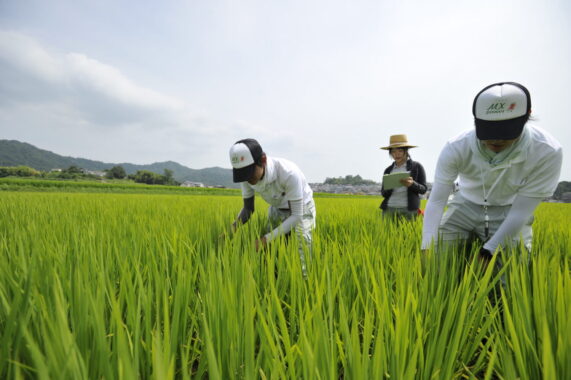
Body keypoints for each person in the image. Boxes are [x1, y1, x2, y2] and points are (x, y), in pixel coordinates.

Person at [421, 82, 563, 263]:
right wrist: (427, 245)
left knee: (511, 273)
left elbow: (521, 211)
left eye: (506, 131)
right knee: (436, 263)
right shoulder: (457, 146)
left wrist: (489, 251)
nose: (496, 139)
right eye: (489, 130)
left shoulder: (547, 150)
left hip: (510, 209)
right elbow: (438, 199)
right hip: (464, 204)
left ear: (527, 116)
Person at [228, 138, 316, 276]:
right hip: (277, 208)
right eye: (242, 174)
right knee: (271, 249)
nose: (247, 179)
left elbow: (297, 216)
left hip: (302, 208)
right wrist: (231, 230)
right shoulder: (246, 177)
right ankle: (273, 279)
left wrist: (264, 239)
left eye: (249, 173)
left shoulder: (288, 173)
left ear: (262, 160)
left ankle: (305, 282)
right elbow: (248, 209)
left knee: (302, 244)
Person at [380, 134, 427, 219]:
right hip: (389, 209)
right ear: (390, 153)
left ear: (406, 151)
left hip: (409, 210)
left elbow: (423, 189)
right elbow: (383, 193)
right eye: (393, 152)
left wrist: (412, 184)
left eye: (400, 151)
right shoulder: (388, 170)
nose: (396, 154)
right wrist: (391, 185)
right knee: (388, 232)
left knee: (408, 232)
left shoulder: (416, 167)